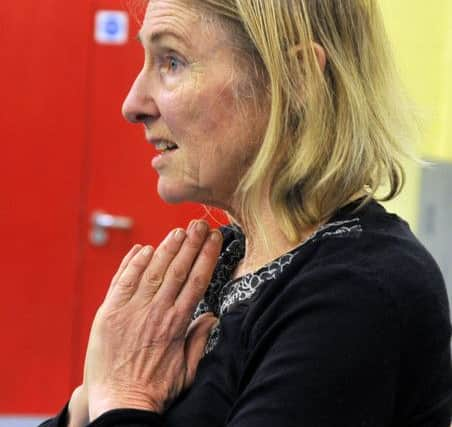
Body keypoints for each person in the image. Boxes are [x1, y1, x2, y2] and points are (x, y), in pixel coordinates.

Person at [40, 0, 452, 426]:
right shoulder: (223, 262)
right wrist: (84, 406)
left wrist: (120, 396)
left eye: (172, 61)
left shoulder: (359, 292)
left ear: (295, 79)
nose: (133, 103)